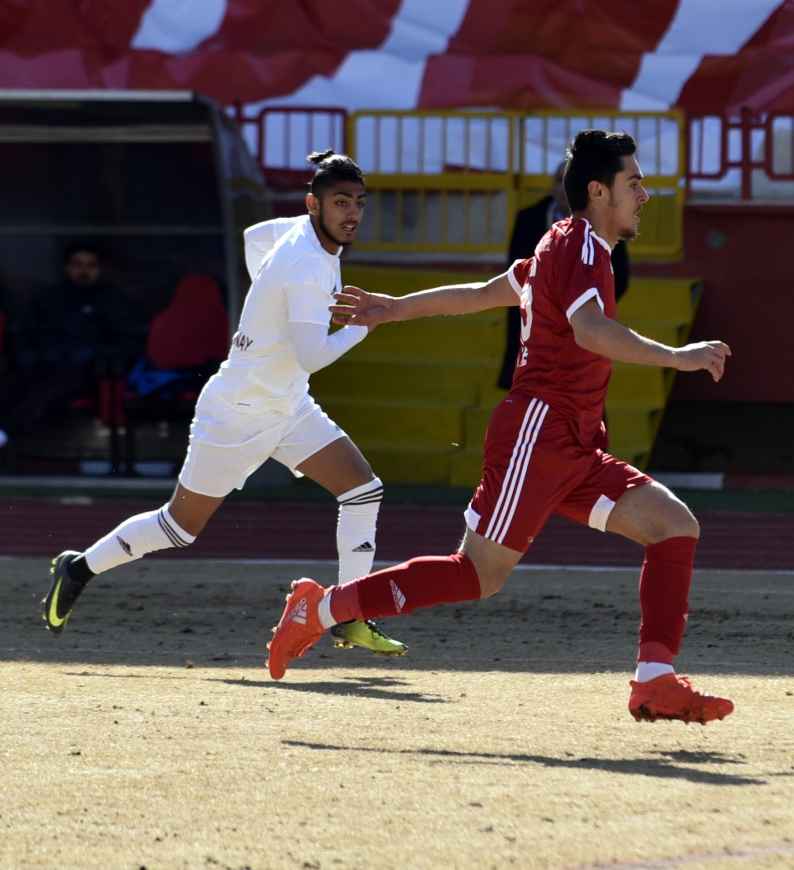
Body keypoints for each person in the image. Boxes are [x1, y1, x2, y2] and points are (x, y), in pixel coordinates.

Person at [266, 130, 735, 725]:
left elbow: (484, 293)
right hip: (538, 434)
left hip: (574, 441)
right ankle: (320, 609)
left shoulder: (566, 243)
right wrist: (677, 356)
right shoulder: (580, 245)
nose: (645, 195)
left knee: (674, 527)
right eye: (635, 183)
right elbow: (590, 330)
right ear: (598, 191)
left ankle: (654, 681)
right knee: (476, 575)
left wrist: (396, 307)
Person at [41, 150, 406, 659]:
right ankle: (78, 568)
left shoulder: (302, 236)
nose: (352, 214)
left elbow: (253, 238)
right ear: (313, 204)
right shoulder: (305, 264)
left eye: (359, 203)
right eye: (341, 202)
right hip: (236, 412)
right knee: (177, 528)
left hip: (287, 403)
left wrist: (267, 305)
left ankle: (349, 614)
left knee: (363, 491)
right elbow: (312, 355)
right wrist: (364, 324)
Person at [0, 241, 143, 480]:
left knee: (39, 396)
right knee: (3, 395)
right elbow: (25, 334)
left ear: (100, 268)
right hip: (41, 364)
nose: (84, 270)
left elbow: (128, 343)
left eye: (90, 265)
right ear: (67, 267)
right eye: (78, 265)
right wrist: (28, 354)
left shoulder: (110, 301)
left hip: (81, 372)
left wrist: (94, 354)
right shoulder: (49, 298)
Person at [499, 161, 628, 389]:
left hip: (580, 328)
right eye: (561, 181)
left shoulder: (606, 223)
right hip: (536, 329)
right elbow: (514, 273)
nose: (565, 188)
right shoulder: (529, 219)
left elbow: (620, 276)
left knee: (582, 396)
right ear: (553, 185)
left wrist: (586, 307)